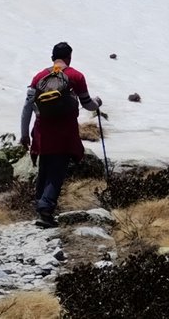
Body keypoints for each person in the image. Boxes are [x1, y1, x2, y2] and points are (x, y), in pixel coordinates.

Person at [19, 42, 101, 227]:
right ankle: (45, 209)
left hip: (42, 131)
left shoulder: (39, 77)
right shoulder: (76, 76)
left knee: (45, 169)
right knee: (57, 171)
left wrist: (24, 134)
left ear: (52, 58)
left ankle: (40, 207)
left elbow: (27, 107)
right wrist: (98, 103)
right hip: (65, 132)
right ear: (69, 57)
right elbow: (87, 104)